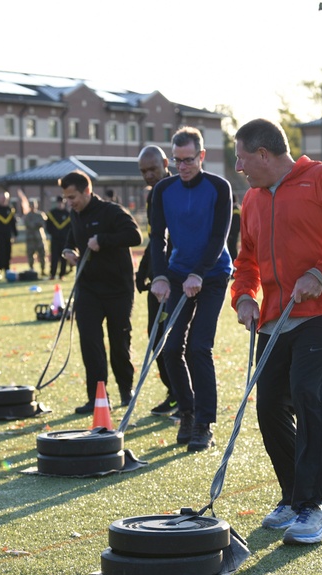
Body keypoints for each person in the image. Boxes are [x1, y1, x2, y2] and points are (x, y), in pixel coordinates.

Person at [232, 118, 322, 545]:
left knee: (308, 394)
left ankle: (314, 507)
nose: (238, 166)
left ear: (263, 154)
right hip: (275, 318)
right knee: (268, 406)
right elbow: (247, 261)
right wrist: (244, 296)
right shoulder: (253, 200)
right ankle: (293, 496)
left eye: (242, 157)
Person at [149, 127, 233, 451]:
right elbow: (157, 237)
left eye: (189, 159)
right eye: (177, 160)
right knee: (170, 348)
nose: (183, 166)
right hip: (177, 272)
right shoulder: (163, 190)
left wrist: (199, 273)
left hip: (212, 274)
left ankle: (204, 423)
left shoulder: (219, 187)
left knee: (199, 346)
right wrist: (159, 276)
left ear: (201, 156)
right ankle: (186, 411)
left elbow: (218, 237)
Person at [59, 170, 142, 415]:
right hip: (88, 289)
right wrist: (67, 251)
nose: (70, 202)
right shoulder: (75, 213)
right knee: (91, 344)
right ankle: (96, 398)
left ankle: (126, 390)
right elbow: (71, 238)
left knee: (119, 342)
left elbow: (135, 236)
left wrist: (103, 240)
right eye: (66, 198)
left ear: (87, 191)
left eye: (72, 196)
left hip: (117, 289)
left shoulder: (112, 212)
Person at [135, 145, 177, 417]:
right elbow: (155, 238)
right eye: (143, 171)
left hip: (180, 278)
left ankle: (187, 396)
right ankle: (174, 392)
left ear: (164, 163)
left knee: (176, 339)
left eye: (152, 169)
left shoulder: (179, 189)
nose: (149, 175)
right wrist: (144, 269)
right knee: (155, 335)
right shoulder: (153, 197)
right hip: (158, 277)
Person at [0, 191, 28, 278]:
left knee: (8, 252)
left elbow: (13, 224)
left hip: (8, 235)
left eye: (5, 198)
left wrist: (15, 234)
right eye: (2, 198)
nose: (3, 200)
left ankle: (7, 270)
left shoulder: (10, 210)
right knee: (0, 252)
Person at [45, 196, 71, 279]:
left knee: (64, 257)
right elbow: (48, 226)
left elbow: (70, 227)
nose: (60, 204)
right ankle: (52, 274)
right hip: (55, 239)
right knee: (54, 257)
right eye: (58, 203)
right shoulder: (52, 213)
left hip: (64, 239)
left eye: (61, 203)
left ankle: (61, 274)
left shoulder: (68, 214)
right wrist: (53, 233)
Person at [23, 199, 49, 275]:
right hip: (30, 239)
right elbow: (29, 224)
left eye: (34, 205)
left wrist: (35, 224)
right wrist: (36, 224)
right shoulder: (27, 216)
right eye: (31, 205)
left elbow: (43, 223)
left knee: (42, 254)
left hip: (39, 238)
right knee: (30, 255)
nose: (33, 207)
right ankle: (32, 269)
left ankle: (43, 270)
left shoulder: (40, 214)